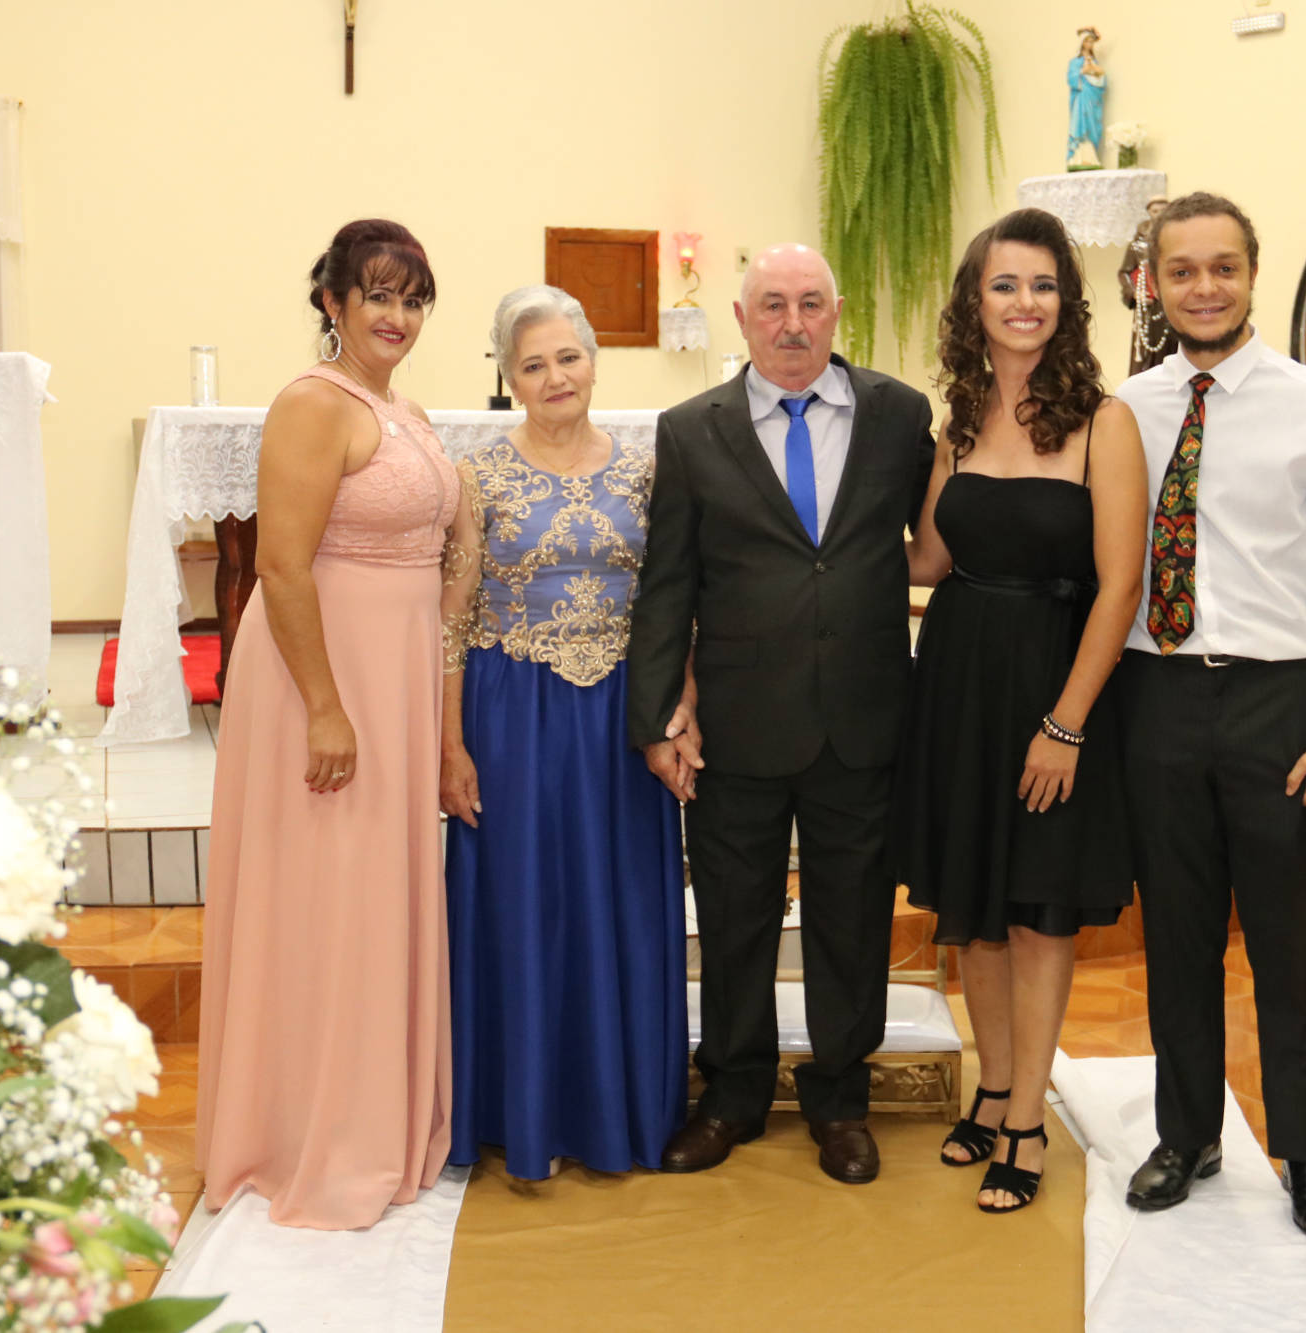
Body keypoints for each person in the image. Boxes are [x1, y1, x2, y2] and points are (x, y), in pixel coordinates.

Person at [626, 244, 933, 1186]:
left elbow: (931, 545)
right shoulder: (691, 430)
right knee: (734, 919)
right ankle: (732, 1095)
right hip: (738, 721)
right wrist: (659, 718)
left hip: (862, 718)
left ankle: (840, 1100)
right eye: (771, 305)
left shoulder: (899, 415)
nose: (792, 323)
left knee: (852, 920)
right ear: (741, 316)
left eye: (809, 303)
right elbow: (668, 583)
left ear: (837, 312)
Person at [1115, 193, 1306, 1242]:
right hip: (1158, 694)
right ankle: (1186, 1133)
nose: (1203, 288)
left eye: (1221, 267)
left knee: (1285, 942)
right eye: (1181, 270)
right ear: (1154, 284)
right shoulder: (1123, 411)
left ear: (1251, 274)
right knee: (1175, 935)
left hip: (1278, 700)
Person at [196, 219, 463, 1229]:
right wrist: (323, 706)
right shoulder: (312, 404)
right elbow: (280, 564)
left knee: (370, 898)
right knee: (325, 902)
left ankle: (370, 1113)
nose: (397, 316)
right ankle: (305, 1131)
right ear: (332, 303)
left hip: (391, 679)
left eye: (412, 299)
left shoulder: (403, 410)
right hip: (325, 679)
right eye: (378, 296)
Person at [897, 208, 1146, 1213]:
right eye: (1004, 284)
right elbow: (926, 559)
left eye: (1042, 285)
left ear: (1065, 303)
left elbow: (1120, 587)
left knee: (1039, 913)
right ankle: (992, 1087)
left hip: (1054, 683)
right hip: (959, 680)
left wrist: (1066, 723)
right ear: (975, 301)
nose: (1024, 302)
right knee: (979, 912)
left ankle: (1030, 1119)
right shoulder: (956, 421)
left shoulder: (1104, 422)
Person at [440, 285, 687, 1179]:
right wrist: (450, 744)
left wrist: (680, 707)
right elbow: (451, 620)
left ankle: (621, 1108)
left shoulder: (647, 470)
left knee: (620, 905)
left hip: (621, 720)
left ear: (594, 361)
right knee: (524, 906)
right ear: (510, 378)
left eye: (569, 357)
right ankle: (521, 1111)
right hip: (513, 714)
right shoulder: (476, 477)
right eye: (534, 364)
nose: (556, 377)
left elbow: (676, 603)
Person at [1117, 195, 1176, 376]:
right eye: (1155, 211)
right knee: (1144, 356)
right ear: (1149, 212)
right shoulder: (1137, 246)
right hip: (1146, 309)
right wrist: (1134, 293)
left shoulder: (1176, 242)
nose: (1159, 215)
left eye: (1163, 210)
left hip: (1169, 306)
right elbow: (1124, 272)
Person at [1066, 28, 1106, 171]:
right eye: (1087, 41)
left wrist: (1095, 71)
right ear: (1082, 43)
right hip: (1081, 97)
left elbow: (1101, 79)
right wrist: (1084, 71)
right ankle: (1078, 156)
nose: (1090, 44)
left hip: (1092, 97)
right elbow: (1071, 78)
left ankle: (1091, 157)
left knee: (1092, 125)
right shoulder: (1075, 62)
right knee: (1080, 123)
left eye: (1092, 42)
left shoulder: (1094, 61)